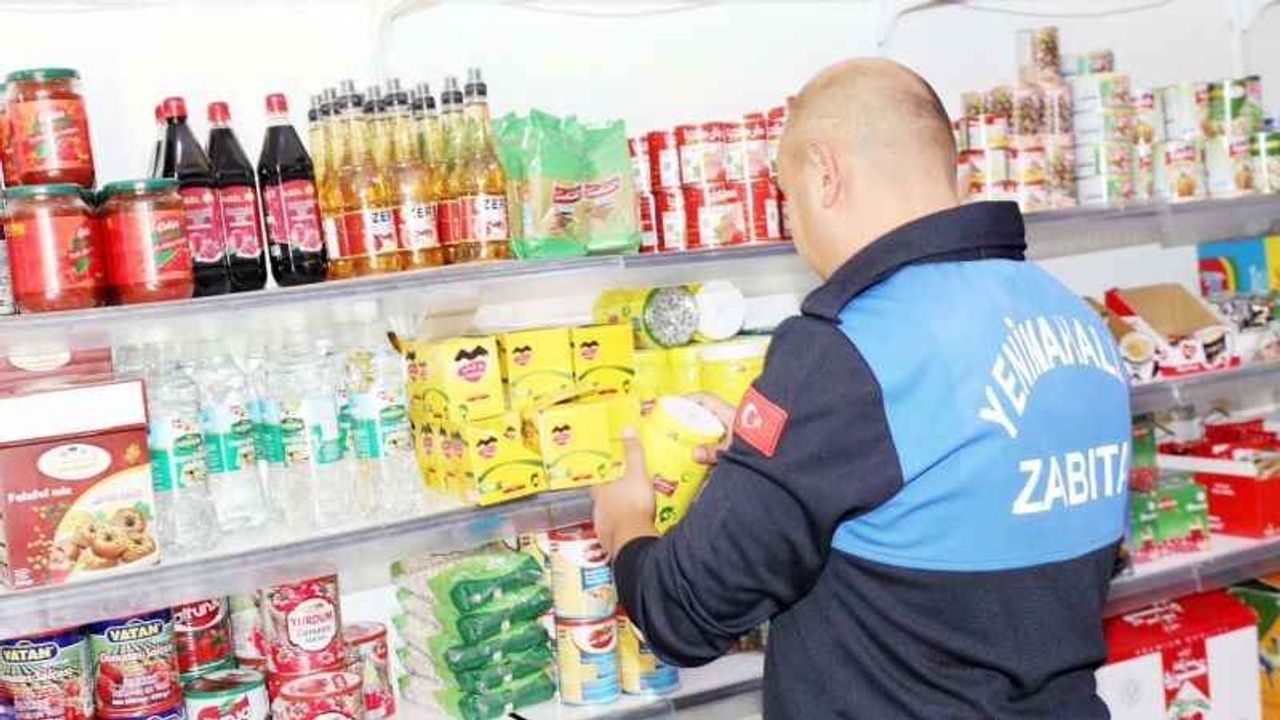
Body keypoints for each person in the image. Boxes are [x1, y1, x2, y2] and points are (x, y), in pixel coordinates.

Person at [591, 58, 1131, 719]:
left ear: (824, 173)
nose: (792, 228)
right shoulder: (1071, 316)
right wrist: (788, 457)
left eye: (787, 197)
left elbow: (685, 612)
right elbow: (973, 496)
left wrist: (626, 524)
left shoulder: (847, 349)